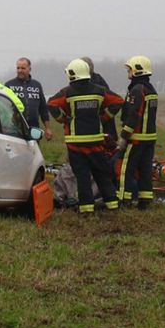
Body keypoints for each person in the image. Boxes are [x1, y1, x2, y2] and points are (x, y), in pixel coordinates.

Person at [48, 58, 125, 214]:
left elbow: (51, 104)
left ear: (72, 74)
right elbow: (118, 101)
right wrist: (104, 117)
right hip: (96, 142)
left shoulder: (67, 92)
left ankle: (86, 210)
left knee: (82, 176)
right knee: (102, 174)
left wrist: (63, 120)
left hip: (75, 144)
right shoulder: (99, 90)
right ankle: (113, 205)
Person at [118, 55, 159, 209]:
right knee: (145, 170)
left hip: (135, 139)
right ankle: (145, 201)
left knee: (126, 169)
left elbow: (133, 114)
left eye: (129, 69)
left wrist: (124, 136)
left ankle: (124, 199)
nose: (128, 72)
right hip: (149, 139)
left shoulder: (137, 90)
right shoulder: (151, 89)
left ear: (137, 71)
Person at [5, 57, 52, 140]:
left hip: (34, 129)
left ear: (29, 69)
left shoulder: (37, 85)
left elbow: (43, 108)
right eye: (18, 68)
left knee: (34, 152)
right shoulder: (9, 85)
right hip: (14, 129)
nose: (20, 70)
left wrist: (47, 128)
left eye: (23, 68)